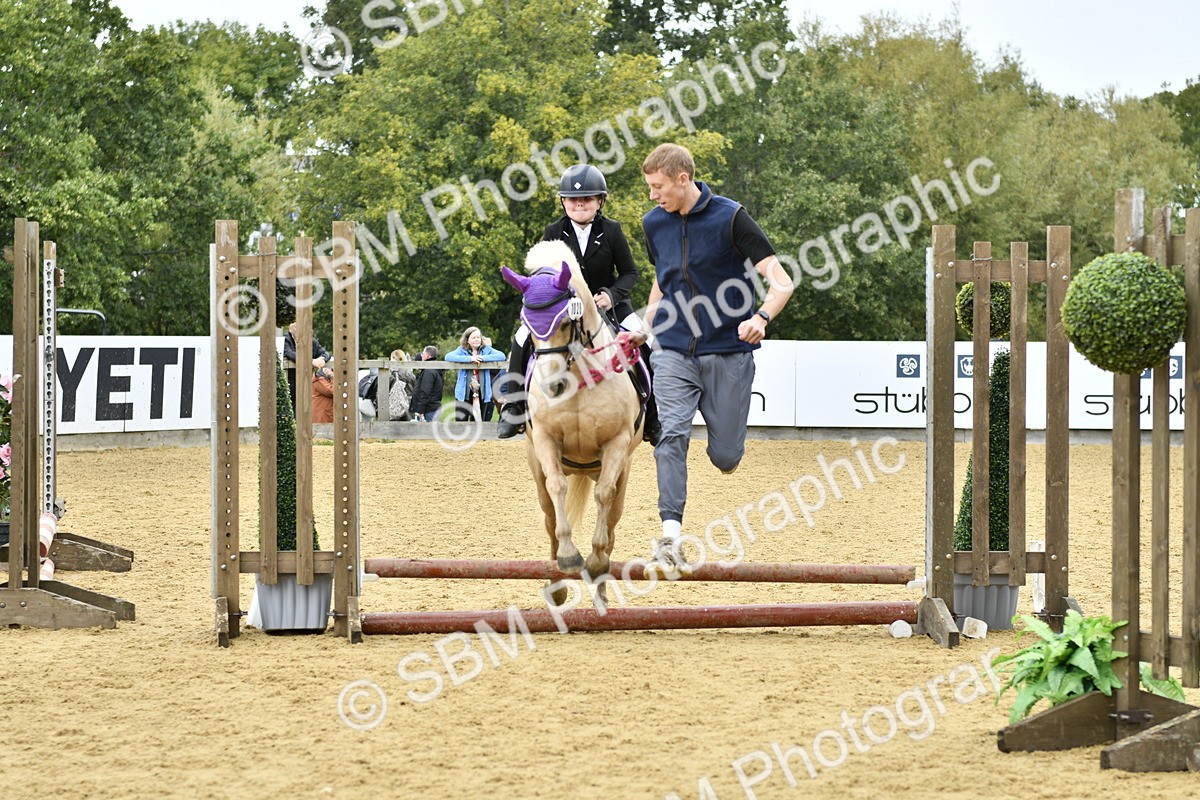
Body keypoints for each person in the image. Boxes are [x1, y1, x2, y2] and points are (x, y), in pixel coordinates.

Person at [637, 143, 794, 574]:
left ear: (683, 179)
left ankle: (723, 444)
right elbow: (661, 283)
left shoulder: (731, 217)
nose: (653, 196)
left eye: (658, 186)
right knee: (671, 435)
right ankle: (670, 537)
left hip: (727, 350)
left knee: (726, 457)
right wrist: (644, 327)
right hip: (672, 349)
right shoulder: (654, 223)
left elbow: (782, 282)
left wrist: (762, 317)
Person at [497, 163, 660, 444]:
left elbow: (630, 272)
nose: (579, 203)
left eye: (587, 198)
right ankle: (514, 407)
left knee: (647, 343)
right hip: (561, 306)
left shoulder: (612, 230)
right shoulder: (553, 230)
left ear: (600, 201)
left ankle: (654, 417)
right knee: (521, 338)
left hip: (609, 304)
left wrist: (611, 294)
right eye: (573, 199)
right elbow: (541, 274)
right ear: (563, 202)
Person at [445, 327, 506, 421]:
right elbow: (448, 356)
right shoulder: (462, 350)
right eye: (474, 338)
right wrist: (469, 359)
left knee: (478, 420)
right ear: (467, 340)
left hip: (482, 391)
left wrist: (483, 358)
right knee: (461, 420)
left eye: (478, 337)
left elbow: (502, 356)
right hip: (464, 392)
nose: (477, 339)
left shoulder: (487, 349)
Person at [283, 322, 332, 413]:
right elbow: (289, 353)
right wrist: (311, 361)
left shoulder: (311, 341)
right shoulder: (284, 340)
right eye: (296, 326)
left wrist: (322, 359)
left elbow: (326, 353)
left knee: (305, 410)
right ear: (291, 328)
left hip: (307, 381)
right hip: (289, 381)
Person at [411, 345, 444, 422]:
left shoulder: (429, 371)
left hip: (429, 410)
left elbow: (425, 392)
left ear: (427, 356)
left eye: (423, 353)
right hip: (432, 408)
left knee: (427, 433)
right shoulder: (435, 369)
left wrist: (420, 410)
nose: (421, 355)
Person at [387, 349, 418, 421]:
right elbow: (414, 386)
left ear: (394, 358)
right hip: (407, 402)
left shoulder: (389, 372)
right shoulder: (408, 372)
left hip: (393, 403)